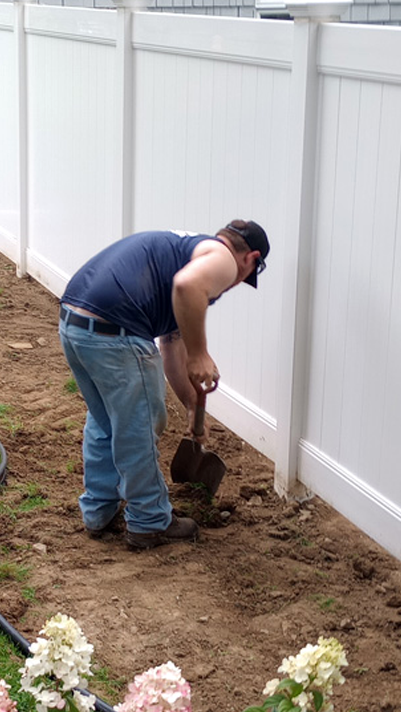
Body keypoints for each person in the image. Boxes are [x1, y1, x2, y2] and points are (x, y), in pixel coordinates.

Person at [58, 220, 269, 551]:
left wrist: (191, 404)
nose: (235, 282)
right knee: (138, 429)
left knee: (105, 422)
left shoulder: (182, 253)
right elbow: (187, 285)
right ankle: (149, 522)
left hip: (76, 326)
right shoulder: (225, 258)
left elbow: (172, 347)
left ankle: (99, 510)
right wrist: (200, 354)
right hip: (116, 331)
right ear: (251, 258)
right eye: (247, 275)